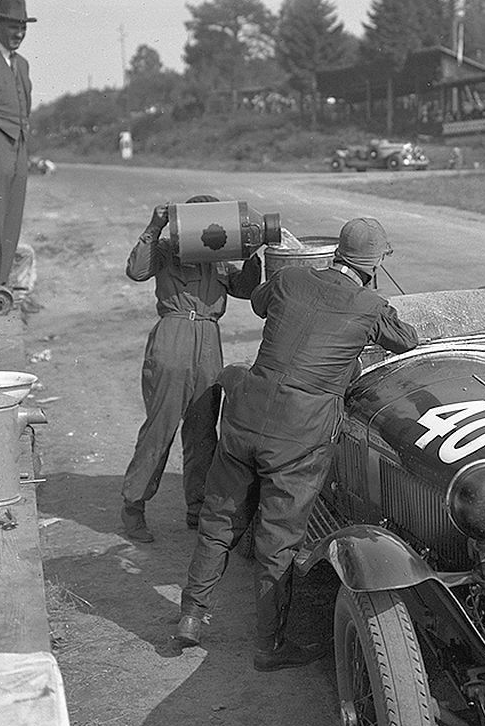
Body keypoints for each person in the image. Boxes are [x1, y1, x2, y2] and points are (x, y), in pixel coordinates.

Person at [176, 217, 419, 670]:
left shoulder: (289, 278)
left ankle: (191, 615)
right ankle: (269, 647)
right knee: (278, 540)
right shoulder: (370, 305)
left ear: (336, 252)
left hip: (246, 415)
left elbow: (261, 302)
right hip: (300, 436)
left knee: (219, 520)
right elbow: (407, 340)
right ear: (375, 262)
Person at [121, 196, 261, 542]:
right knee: (160, 427)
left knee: (202, 433)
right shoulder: (168, 249)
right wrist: (155, 226)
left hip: (208, 338)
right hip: (173, 334)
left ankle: (196, 509)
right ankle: (133, 507)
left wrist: (254, 253)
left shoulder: (219, 256)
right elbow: (137, 270)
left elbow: (246, 289)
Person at [0, 0, 35, 294]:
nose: (18, 33)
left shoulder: (24, 65)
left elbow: (25, 108)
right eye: (12, 27)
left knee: (11, 217)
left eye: (23, 27)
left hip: (18, 148)